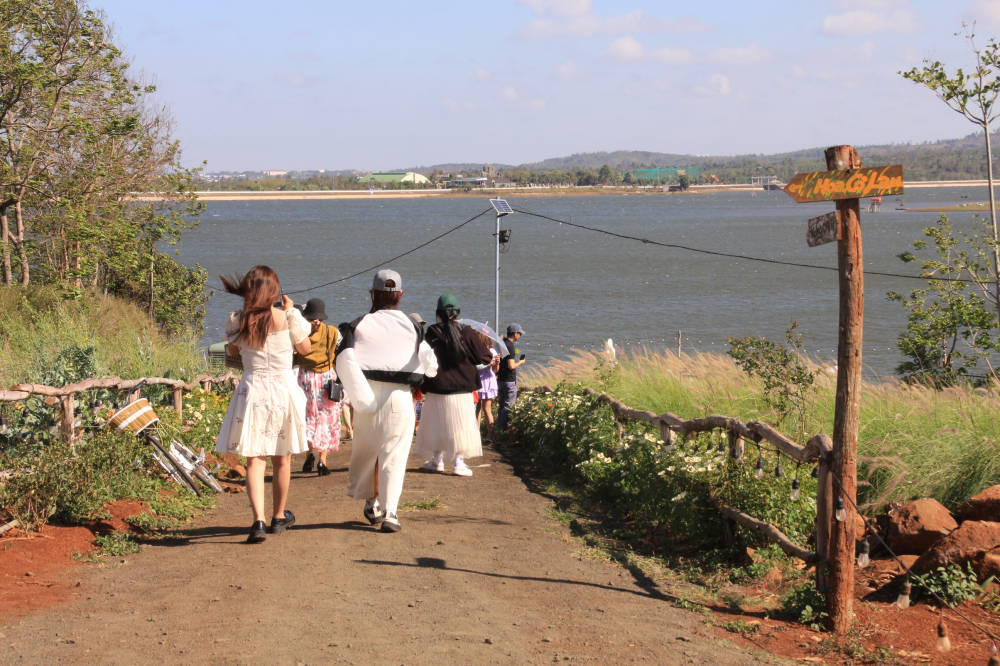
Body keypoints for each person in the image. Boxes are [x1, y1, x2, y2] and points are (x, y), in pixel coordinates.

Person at [335, 269, 438, 533]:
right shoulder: (413, 326)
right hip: (400, 397)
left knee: (366, 453)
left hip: (366, 393)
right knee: (395, 456)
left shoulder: (359, 323)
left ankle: (371, 502)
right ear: (399, 295)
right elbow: (430, 364)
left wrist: (359, 395)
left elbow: (343, 360)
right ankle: (391, 512)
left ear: (373, 293)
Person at [215, 266, 311, 544]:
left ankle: (257, 520)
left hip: (253, 390)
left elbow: (232, 351)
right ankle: (278, 516)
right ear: (273, 291)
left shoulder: (238, 320)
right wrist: (292, 311)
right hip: (282, 389)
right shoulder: (286, 317)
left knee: (254, 460)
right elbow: (305, 351)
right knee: (282, 458)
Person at [415, 295, 494, 477]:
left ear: (438, 313)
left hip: (436, 386)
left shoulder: (431, 332)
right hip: (462, 387)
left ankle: (437, 460)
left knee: (437, 424)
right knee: (461, 424)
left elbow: (423, 357)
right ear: (457, 312)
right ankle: (459, 462)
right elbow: (484, 357)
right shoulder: (467, 331)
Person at [293, 298, 342, 477]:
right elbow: (341, 352)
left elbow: (292, 357)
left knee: (308, 417)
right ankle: (323, 461)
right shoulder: (332, 332)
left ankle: (310, 455)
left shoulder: (298, 335)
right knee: (327, 418)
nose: (316, 321)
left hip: (305, 378)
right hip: (327, 379)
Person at [495, 323, 526, 434]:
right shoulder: (510, 346)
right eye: (519, 334)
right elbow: (511, 366)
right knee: (508, 406)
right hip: (509, 380)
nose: (520, 336)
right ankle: (503, 430)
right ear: (515, 333)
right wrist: (520, 362)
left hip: (500, 380)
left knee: (501, 405)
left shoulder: (502, 343)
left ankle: (498, 428)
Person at [475, 330, 501, 443]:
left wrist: (496, 363)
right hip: (477, 380)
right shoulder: (475, 350)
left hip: (487, 381)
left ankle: (490, 436)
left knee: (486, 410)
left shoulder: (492, 351)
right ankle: (476, 435)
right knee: (477, 409)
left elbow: (495, 371)